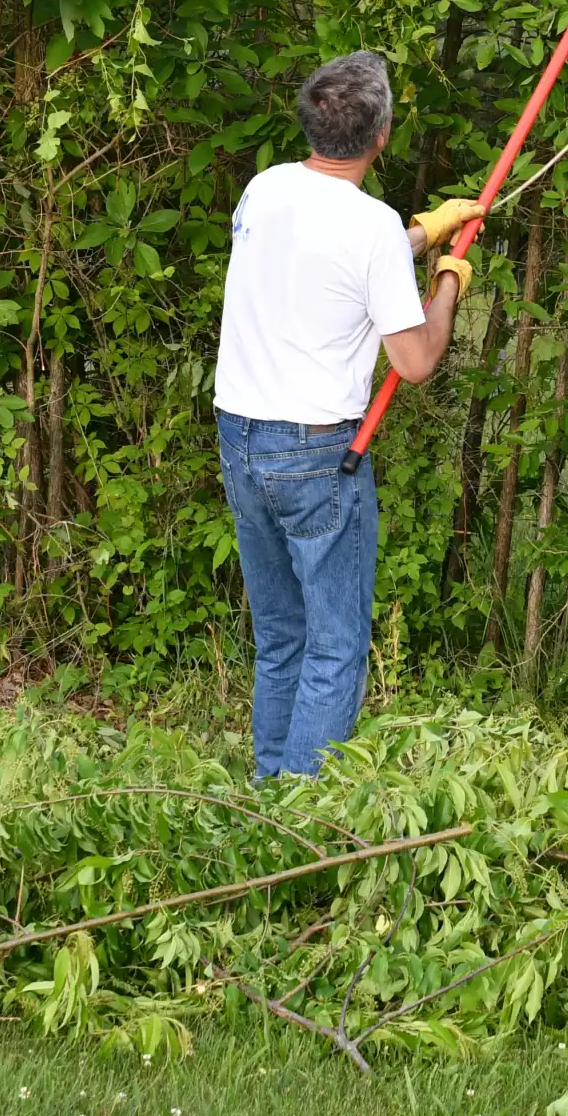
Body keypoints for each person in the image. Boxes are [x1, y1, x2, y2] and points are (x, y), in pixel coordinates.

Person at [213, 50, 479, 777]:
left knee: (281, 637)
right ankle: (296, 819)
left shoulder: (263, 190)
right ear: (382, 134)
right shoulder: (370, 228)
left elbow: (334, 253)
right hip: (315, 453)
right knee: (333, 645)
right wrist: (449, 279)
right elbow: (416, 360)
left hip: (239, 437)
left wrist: (424, 230)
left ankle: (268, 796)